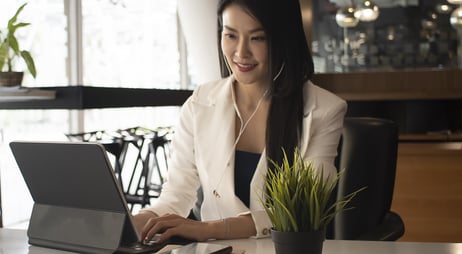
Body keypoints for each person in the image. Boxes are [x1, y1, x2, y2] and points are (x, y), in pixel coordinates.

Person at [132, 0, 347, 243]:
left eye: (258, 38)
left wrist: (209, 229)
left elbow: (302, 209)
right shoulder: (200, 103)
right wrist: (138, 220)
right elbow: (176, 195)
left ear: (283, 39)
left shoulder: (324, 110)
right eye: (230, 35)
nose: (241, 52)